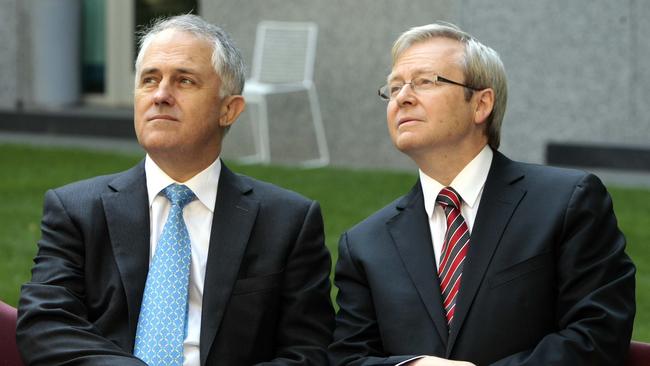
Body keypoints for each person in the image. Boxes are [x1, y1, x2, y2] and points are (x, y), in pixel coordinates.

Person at [17, 14, 334, 365]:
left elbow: (310, 350)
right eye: (149, 80)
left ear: (229, 110)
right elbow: (45, 325)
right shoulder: (76, 209)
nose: (161, 95)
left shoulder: (287, 221)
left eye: (184, 81)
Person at [328, 22, 635, 366]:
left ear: (481, 104)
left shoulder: (566, 202)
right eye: (394, 87)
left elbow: (598, 333)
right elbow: (347, 357)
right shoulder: (366, 243)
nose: (403, 97)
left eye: (426, 81)